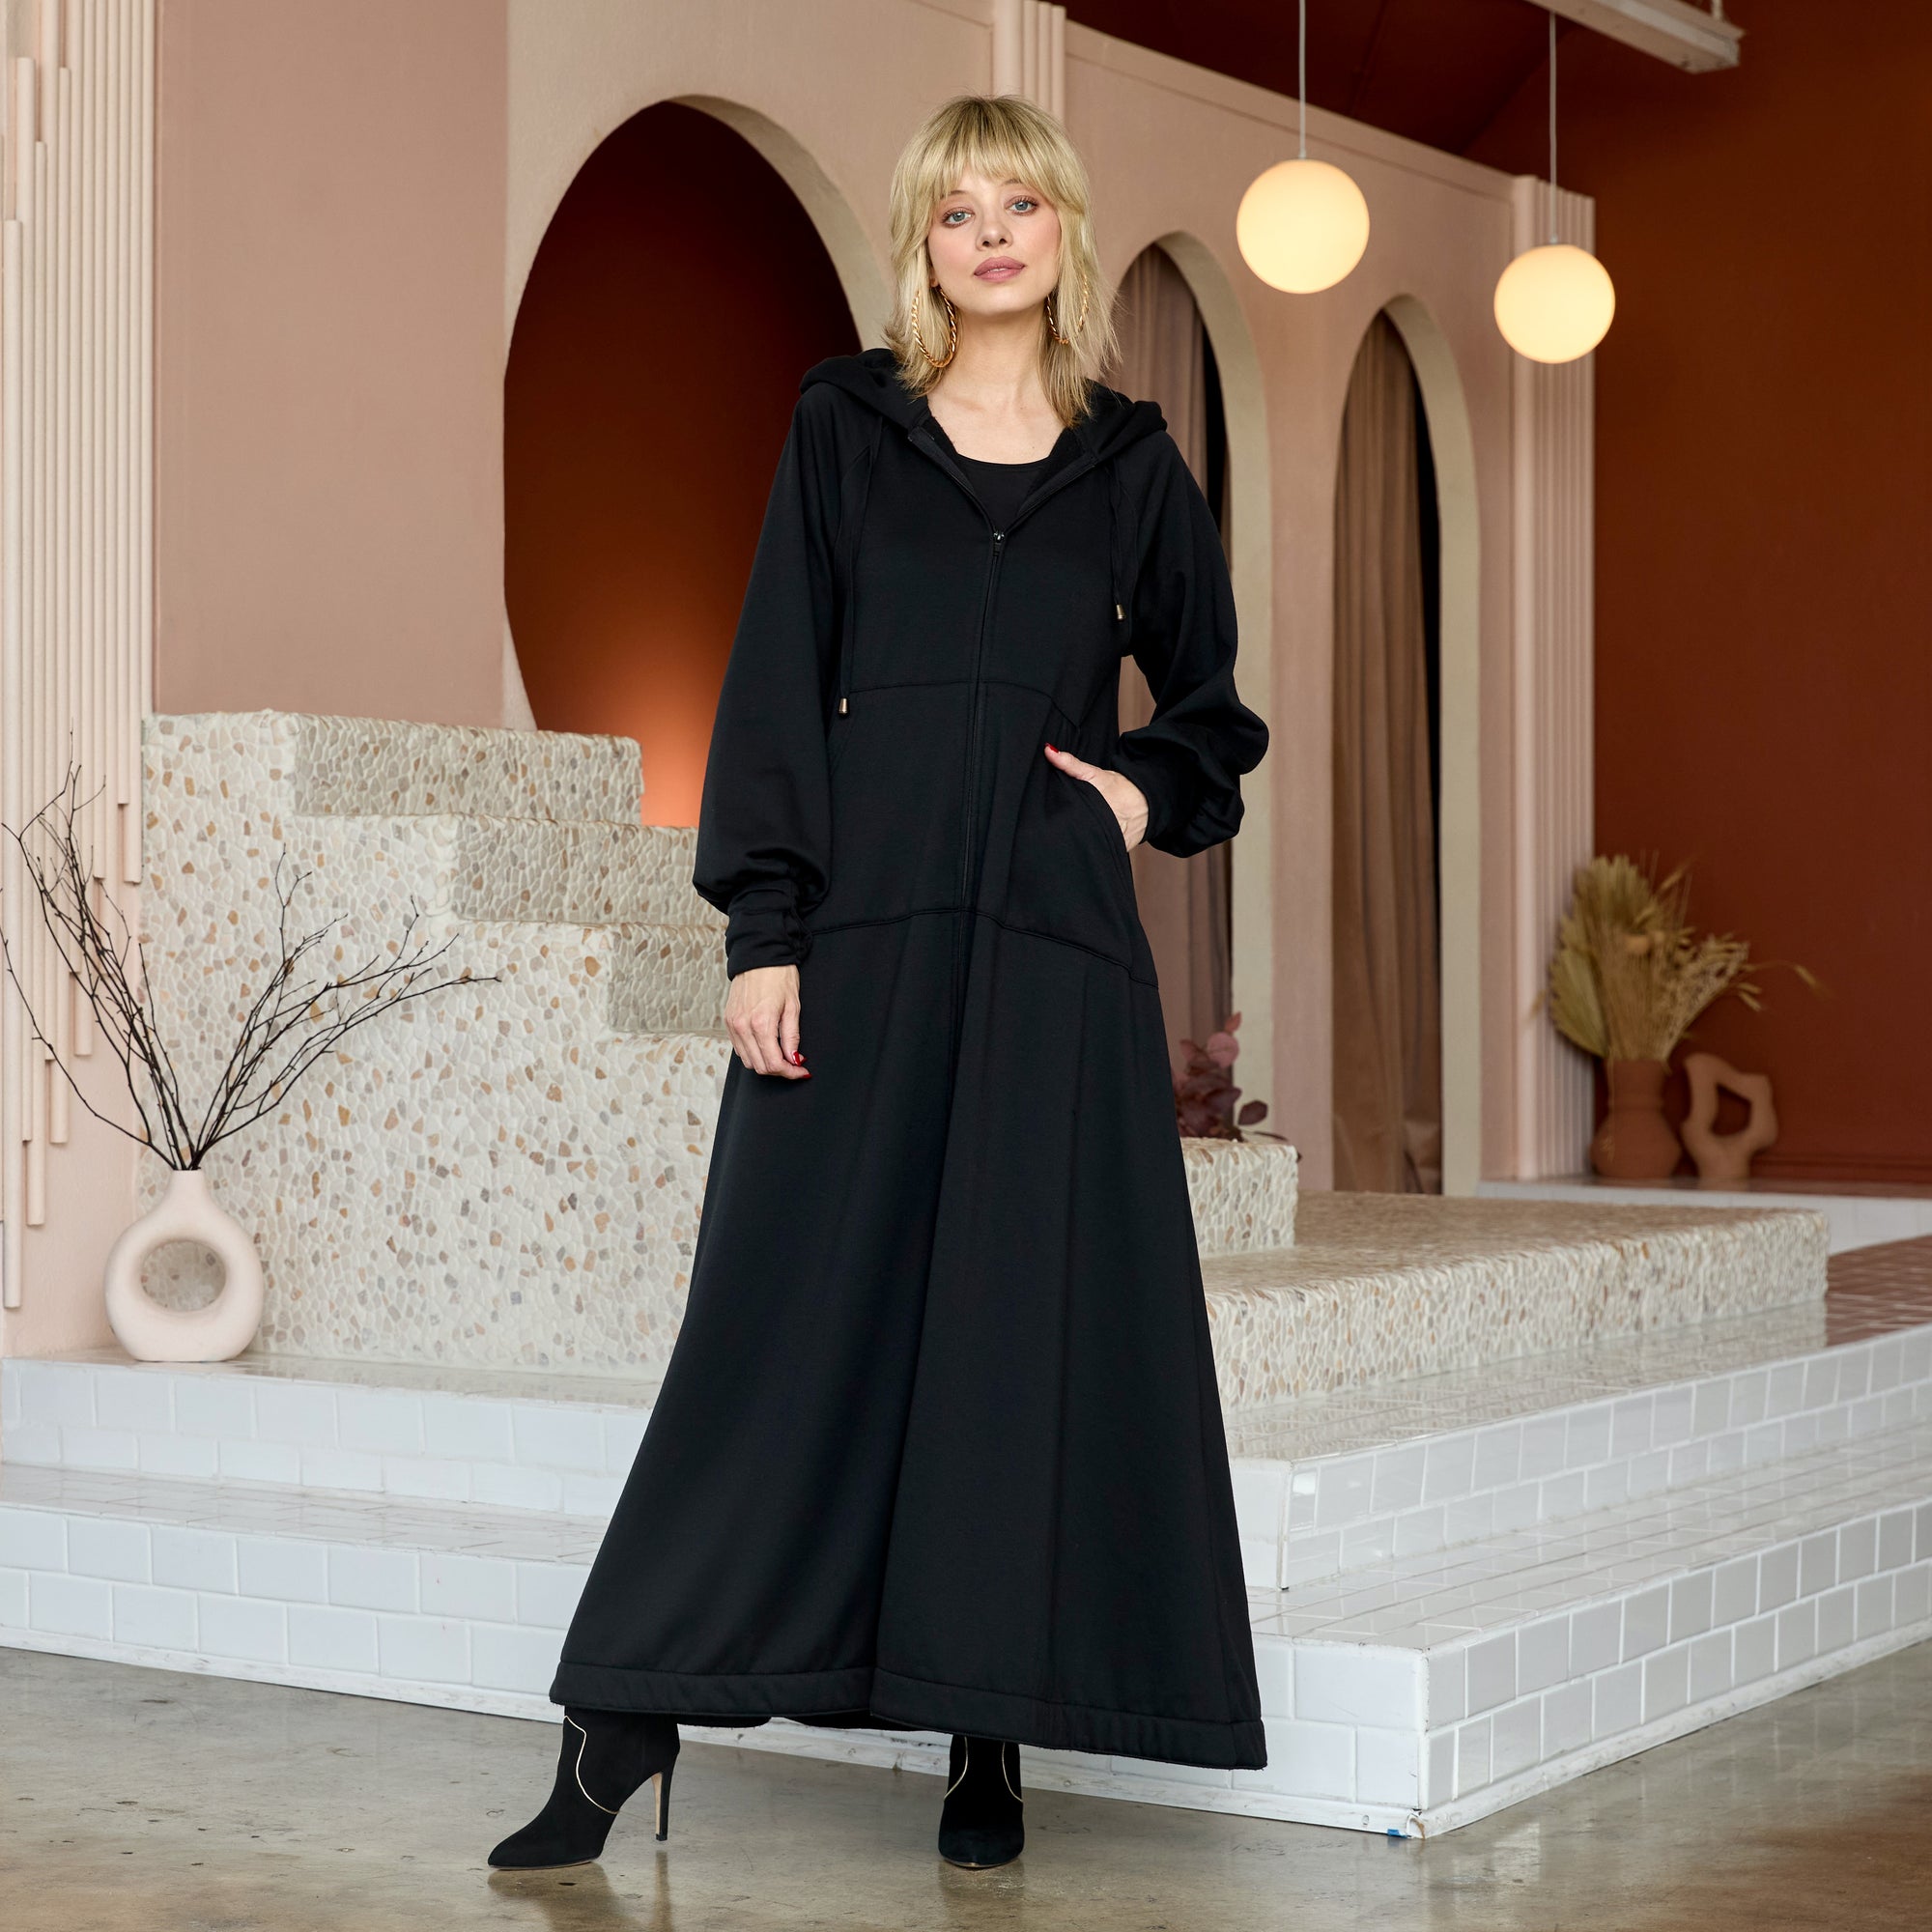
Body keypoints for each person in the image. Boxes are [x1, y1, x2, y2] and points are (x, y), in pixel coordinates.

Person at [489, 91, 1269, 1876]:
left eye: (1020, 205)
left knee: (1013, 1333)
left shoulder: (1133, 465)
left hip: (1051, 952)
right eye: (956, 211)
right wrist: (764, 930)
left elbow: (1215, 712)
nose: (990, 236)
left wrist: (1135, 793)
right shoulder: (846, 425)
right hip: (861, 935)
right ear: (924, 242)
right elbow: (776, 677)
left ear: (1063, 231)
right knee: (773, 1328)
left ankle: (986, 1731)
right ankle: (620, 1721)